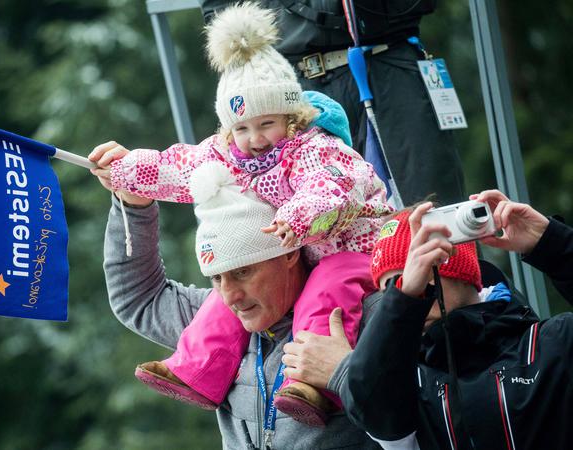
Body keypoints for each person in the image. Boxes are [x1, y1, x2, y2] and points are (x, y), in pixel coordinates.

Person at [89, 2, 393, 427]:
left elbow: (333, 188)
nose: (254, 140)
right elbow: (176, 167)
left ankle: (313, 383)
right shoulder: (228, 156)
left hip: (350, 247)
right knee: (220, 308)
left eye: (266, 123)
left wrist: (297, 218)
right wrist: (127, 176)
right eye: (242, 128)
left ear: (291, 117)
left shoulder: (315, 148)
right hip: (291, 243)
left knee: (329, 288)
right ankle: (197, 369)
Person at [98, 163, 383, 448]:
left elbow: (416, 417)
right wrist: (133, 206)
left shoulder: (370, 313)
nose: (229, 296)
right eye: (216, 278)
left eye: (242, 272)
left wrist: (344, 374)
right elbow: (139, 298)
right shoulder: (212, 323)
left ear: (289, 254)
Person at [282, 189, 573, 449]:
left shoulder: (551, 344)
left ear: (457, 269)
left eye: (423, 269)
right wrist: (405, 296)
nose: (415, 285)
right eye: (392, 286)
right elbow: (372, 406)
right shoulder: (407, 385)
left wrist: (551, 243)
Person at [200, 0, 467, 206]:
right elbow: (220, 14)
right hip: (294, 84)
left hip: (389, 60)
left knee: (433, 209)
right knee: (320, 227)